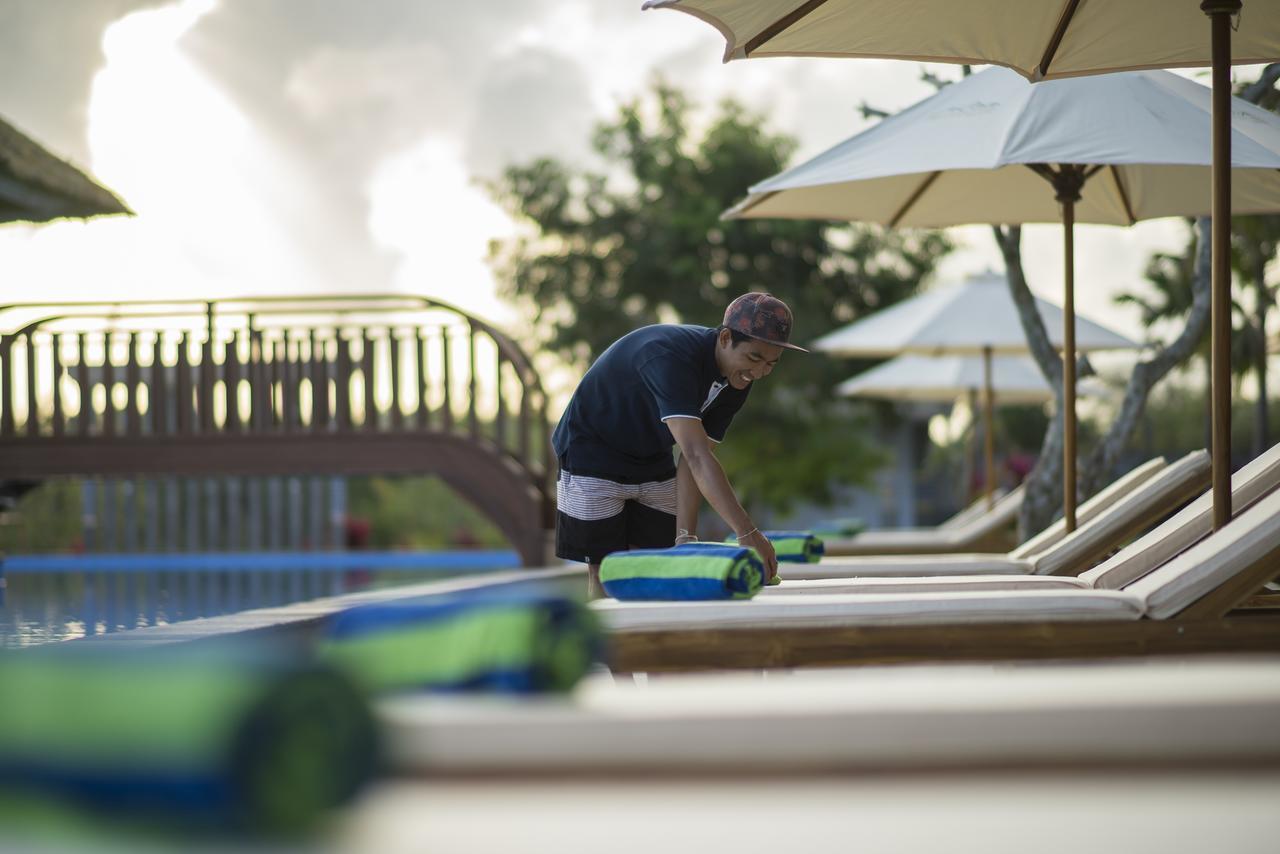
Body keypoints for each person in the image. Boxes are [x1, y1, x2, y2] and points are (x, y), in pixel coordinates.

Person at [552, 292, 806, 597]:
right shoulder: (670, 357)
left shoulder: (739, 379)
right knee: (609, 572)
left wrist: (686, 537)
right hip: (592, 450)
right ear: (725, 338)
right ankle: (614, 645)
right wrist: (747, 532)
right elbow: (697, 456)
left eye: (771, 363)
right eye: (754, 358)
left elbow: (692, 458)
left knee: (656, 567)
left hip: (651, 455)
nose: (760, 372)